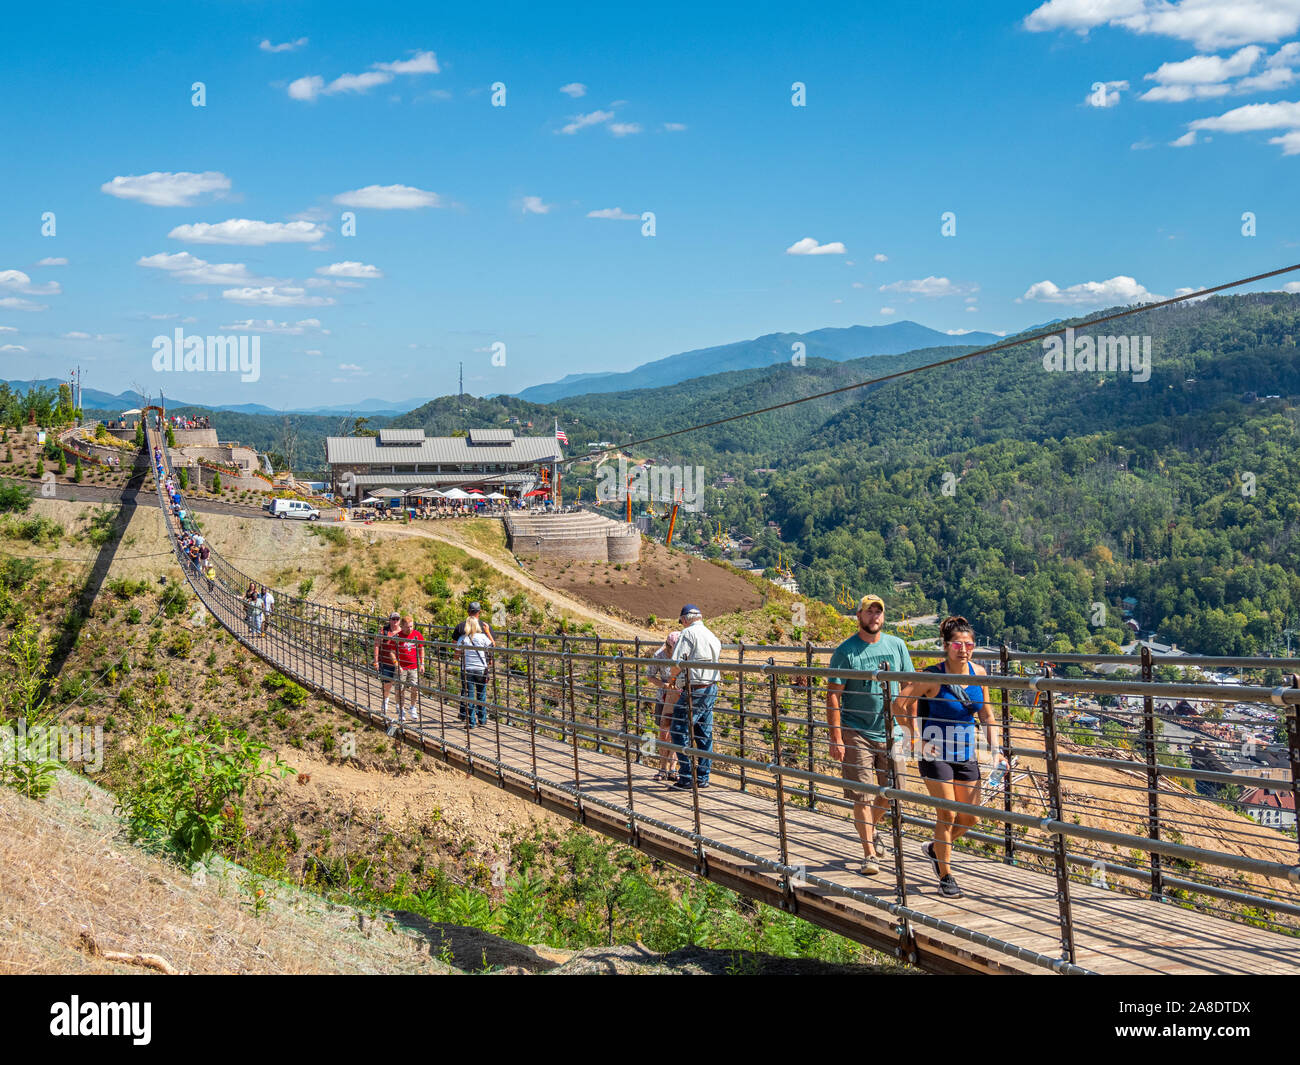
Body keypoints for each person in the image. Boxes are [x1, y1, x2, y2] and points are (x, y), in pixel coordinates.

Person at [899, 616, 1002, 900]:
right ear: (946, 646)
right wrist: (915, 740)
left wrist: (997, 751)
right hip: (936, 755)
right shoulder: (932, 676)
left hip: (965, 754)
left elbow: (987, 714)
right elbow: (899, 703)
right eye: (957, 644)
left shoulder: (979, 674)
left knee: (969, 818)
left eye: (969, 644)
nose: (963, 649)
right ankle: (946, 876)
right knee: (947, 814)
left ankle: (935, 849)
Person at [826, 594, 915, 878]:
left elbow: (911, 683)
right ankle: (869, 854)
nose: (874, 616)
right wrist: (836, 737)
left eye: (879, 612)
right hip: (856, 731)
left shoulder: (898, 646)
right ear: (859, 616)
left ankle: (872, 829)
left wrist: (908, 722)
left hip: (892, 732)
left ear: (883, 617)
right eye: (869, 612)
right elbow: (833, 697)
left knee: (893, 793)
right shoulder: (846, 652)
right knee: (862, 795)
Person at [667, 604, 722, 791]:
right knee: (704, 734)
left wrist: (672, 678)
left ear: (684, 619)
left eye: (681, 621)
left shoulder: (688, 634)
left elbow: (677, 661)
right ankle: (703, 776)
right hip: (710, 687)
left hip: (695, 688)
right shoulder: (711, 635)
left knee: (678, 729)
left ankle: (687, 776)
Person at [646, 629, 683, 782]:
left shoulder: (683, 655)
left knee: (677, 735)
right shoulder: (659, 656)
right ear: (668, 646)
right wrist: (663, 685)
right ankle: (662, 768)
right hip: (663, 698)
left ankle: (673, 769)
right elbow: (650, 676)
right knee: (664, 735)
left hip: (679, 698)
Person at [457, 616, 492, 727]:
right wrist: (488, 632)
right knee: (481, 695)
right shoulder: (483, 637)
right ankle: (482, 719)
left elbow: (456, 655)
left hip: (467, 669)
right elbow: (493, 645)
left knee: (470, 696)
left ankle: (471, 722)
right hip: (481, 669)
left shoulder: (463, 638)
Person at [393, 614, 424, 723]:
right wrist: (397, 664)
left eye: (411, 626)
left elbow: (421, 648)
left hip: (413, 667)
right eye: (407, 627)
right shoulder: (398, 636)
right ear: (402, 626)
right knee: (400, 689)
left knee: (415, 688)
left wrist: (422, 663)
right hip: (402, 667)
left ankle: (412, 707)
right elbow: (392, 651)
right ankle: (401, 709)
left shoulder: (417, 635)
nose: (409, 629)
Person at [373, 611, 401, 717]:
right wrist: (376, 661)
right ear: (389, 620)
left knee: (399, 685)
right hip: (385, 661)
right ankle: (385, 702)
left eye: (397, 619)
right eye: (393, 619)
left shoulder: (403, 632)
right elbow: (376, 645)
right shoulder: (383, 632)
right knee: (387, 684)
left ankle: (399, 705)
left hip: (399, 664)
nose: (395, 621)